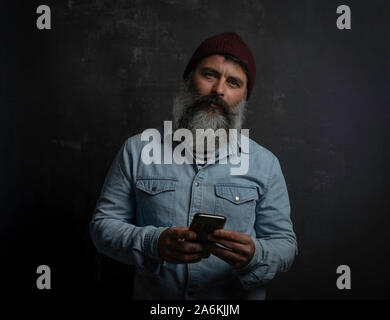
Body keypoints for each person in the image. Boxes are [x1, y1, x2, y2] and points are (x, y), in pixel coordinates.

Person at [90, 32, 298, 300]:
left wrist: (257, 255)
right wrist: (152, 243)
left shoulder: (265, 164)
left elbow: (285, 244)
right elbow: (102, 226)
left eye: (233, 82)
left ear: (244, 97)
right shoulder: (137, 150)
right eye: (209, 74)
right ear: (188, 79)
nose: (219, 90)